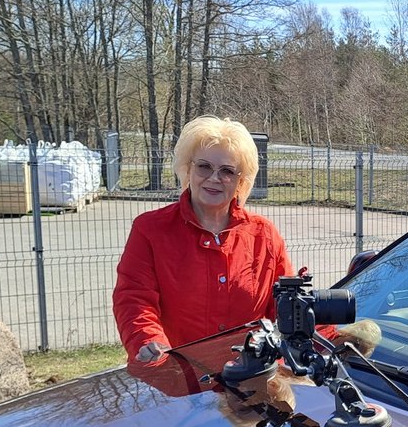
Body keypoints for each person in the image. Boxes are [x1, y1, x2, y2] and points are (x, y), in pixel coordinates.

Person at [113, 115, 292, 362]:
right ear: (188, 168)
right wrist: (149, 341)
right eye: (204, 166)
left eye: (227, 171)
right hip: (177, 378)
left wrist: (336, 340)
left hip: (252, 381)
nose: (214, 178)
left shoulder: (265, 235)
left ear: (241, 181)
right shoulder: (150, 230)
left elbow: (287, 308)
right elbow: (134, 299)